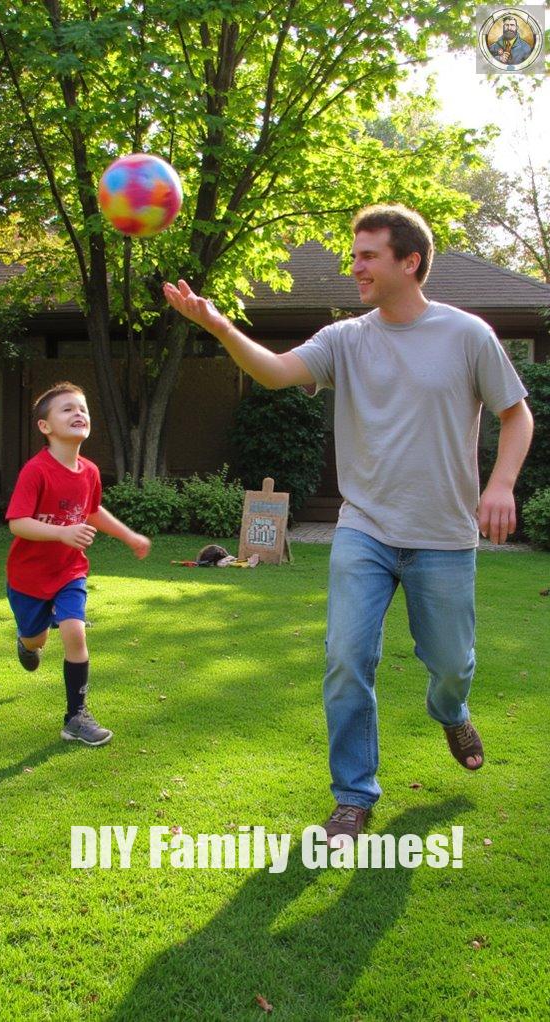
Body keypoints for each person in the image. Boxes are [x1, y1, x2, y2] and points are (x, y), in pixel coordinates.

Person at [163, 204, 533, 843]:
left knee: (451, 662)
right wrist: (219, 325)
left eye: (367, 255)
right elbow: (276, 372)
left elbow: (516, 415)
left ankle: (449, 708)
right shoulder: (346, 338)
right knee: (345, 657)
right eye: (354, 254)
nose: (354, 267)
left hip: (443, 534)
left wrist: (500, 484)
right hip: (364, 527)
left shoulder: (468, 335)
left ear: (408, 261)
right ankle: (353, 796)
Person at [6, 381, 151, 747]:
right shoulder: (35, 471)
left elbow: (92, 511)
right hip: (28, 578)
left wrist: (129, 536)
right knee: (35, 637)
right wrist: (62, 533)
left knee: (74, 631)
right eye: (67, 409)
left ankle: (76, 717)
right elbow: (17, 522)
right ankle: (27, 644)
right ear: (45, 426)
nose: (78, 413)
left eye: (83, 408)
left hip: (70, 572)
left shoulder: (89, 472)